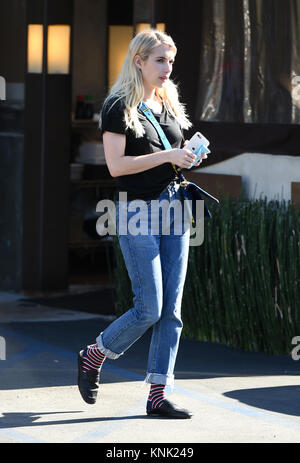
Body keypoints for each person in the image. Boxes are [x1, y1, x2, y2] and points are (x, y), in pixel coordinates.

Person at [77, 29, 207, 419]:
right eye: (159, 60)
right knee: (148, 307)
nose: (167, 68)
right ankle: (95, 353)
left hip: (175, 210)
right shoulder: (118, 105)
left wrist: (186, 157)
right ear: (139, 61)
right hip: (136, 212)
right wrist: (169, 154)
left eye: (170, 60)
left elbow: (167, 158)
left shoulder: (168, 103)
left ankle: (157, 393)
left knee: (172, 310)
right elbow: (116, 166)